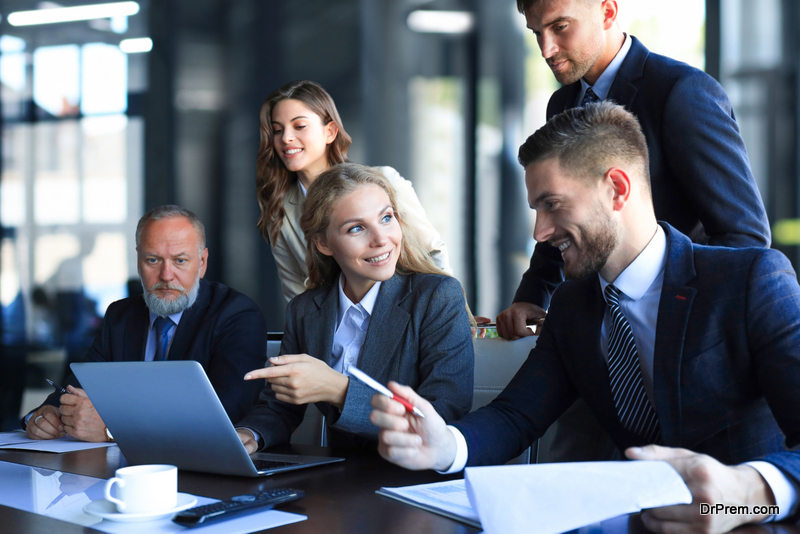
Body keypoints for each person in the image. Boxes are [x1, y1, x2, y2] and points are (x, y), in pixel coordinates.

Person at [371, 103, 800, 532]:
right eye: (536, 210)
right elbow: (516, 415)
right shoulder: (574, 306)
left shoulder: (750, 281)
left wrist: (746, 496)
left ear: (617, 188)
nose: (539, 232)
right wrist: (445, 445)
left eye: (552, 204)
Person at [495, 0, 771, 340]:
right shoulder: (562, 102)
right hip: (598, 337)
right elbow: (560, 210)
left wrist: (687, 327)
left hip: (678, 331)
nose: (546, 49)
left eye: (560, 27)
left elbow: (744, 236)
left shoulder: (682, 92)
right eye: (537, 33)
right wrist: (530, 298)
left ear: (608, 12)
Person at [237, 163, 473, 451]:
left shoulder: (437, 297)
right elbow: (280, 405)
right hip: (337, 479)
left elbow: (444, 415)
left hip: (412, 479)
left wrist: (339, 390)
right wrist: (250, 434)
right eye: (357, 228)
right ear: (323, 242)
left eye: (386, 218)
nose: (381, 239)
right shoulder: (305, 310)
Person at [23, 205, 267, 442]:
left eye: (180, 261)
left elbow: (228, 412)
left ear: (202, 263)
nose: (166, 275)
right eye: (153, 260)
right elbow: (76, 387)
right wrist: (47, 415)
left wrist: (112, 431)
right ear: (138, 261)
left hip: (204, 471)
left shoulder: (236, 315)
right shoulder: (120, 316)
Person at [256, 80, 451, 303]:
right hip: (338, 330)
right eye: (277, 130)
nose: (286, 138)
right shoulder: (279, 212)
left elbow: (431, 253)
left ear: (329, 132)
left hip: (409, 319)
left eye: (299, 126)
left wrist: (452, 314)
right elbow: (296, 293)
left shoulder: (384, 181)